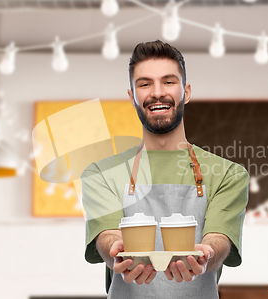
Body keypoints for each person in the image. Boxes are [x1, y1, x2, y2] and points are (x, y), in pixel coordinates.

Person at [81, 40, 249, 299]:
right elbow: (107, 236)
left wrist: (206, 255)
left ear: (187, 92)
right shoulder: (100, 174)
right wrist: (115, 249)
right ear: (132, 96)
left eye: (169, 82)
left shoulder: (229, 174)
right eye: (145, 84)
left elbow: (219, 240)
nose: (157, 93)